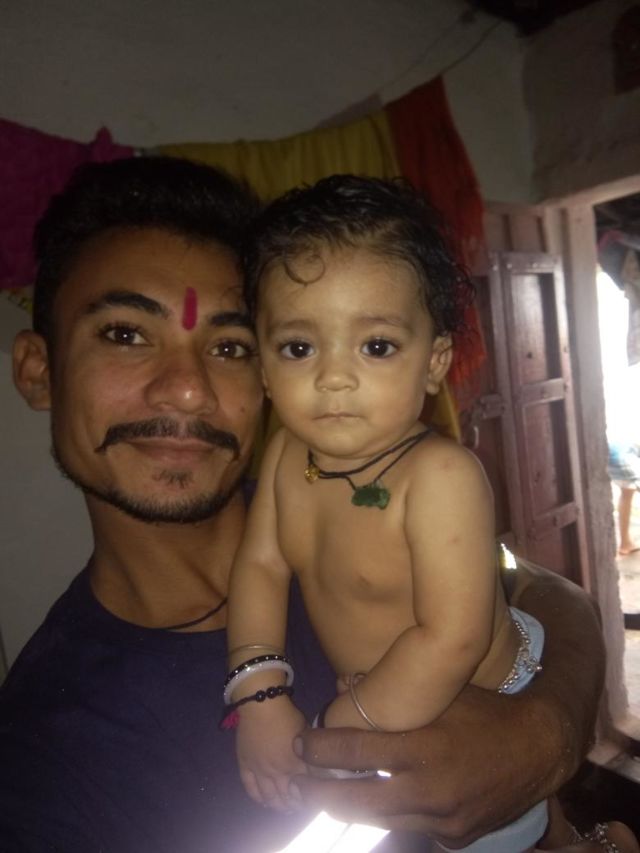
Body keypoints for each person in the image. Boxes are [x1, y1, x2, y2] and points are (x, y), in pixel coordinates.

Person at [0, 155, 620, 853]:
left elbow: (542, 591)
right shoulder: (42, 757)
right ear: (38, 370)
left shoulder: (396, 489)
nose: (187, 388)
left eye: (227, 344)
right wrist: (263, 697)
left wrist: (548, 731)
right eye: (125, 334)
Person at [225, 175, 638, 853]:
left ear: (434, 361)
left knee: (509, 838)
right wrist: (260, 699)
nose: (333, 377)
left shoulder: (442, 477)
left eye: (376, 346)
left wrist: (342, 726)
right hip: (391, 701)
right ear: (265, 367)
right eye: (299, 347)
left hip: (481, 695)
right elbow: (261, 568)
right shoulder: (284, 456)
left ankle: (587, 842)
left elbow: (451, 638)